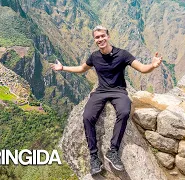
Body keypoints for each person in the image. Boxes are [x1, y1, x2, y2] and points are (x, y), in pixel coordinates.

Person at [51, 25, 162, 175]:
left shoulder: (122, 55)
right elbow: (82, 69)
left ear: (108, 36)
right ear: (95, 40)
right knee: (87, 117)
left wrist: (153, 65)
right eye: (97, 37)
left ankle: (113, 150)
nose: (100, 39)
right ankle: (94, 156)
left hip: (118, 91)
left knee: (123, 112)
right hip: (101, 91)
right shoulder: (94, 56)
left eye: (102, 36)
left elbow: (142, 68)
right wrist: (63, 68)